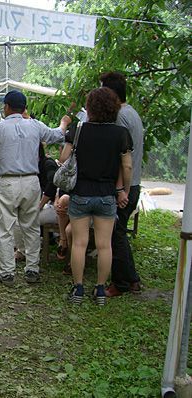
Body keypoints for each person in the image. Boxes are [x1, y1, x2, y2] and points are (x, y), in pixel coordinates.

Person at [0, 90, 71, 285]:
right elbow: (57, 135)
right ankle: (32, 269)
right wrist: (64, 123)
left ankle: (7, 272)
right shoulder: (35, 126)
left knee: (6, 228)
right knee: (31, 227)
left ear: (8, 107)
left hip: (8, 181)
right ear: (24, 108)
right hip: (31, 181)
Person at [61, 87, 133, 306]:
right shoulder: (121, 133)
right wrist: (124, 191)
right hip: (107, 195)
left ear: (90, 107)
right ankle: (101, 290)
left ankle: (78, 288)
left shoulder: (78, 129)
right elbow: (127, 166)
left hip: (81, 193)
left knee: (79, 243)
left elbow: (64, 157)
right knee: (104, 245)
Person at [100, 72, 145, 297]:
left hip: (125, 187)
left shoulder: (120, 117)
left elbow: (123, 161)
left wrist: (121, 190)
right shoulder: (132, 113)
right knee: (119, 233)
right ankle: (132, 280)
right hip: (133, 184)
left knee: (115, 234)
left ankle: (121, 283)